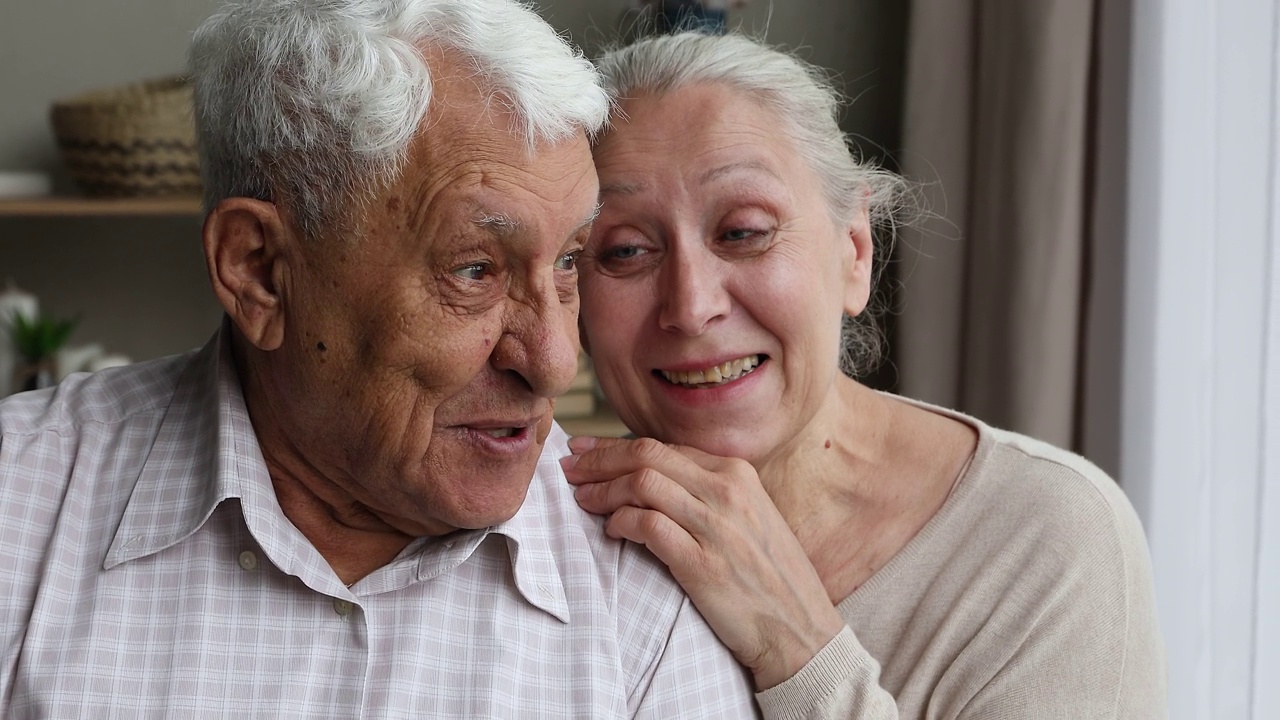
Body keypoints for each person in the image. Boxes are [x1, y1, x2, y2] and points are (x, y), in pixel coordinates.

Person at [0, 4, 758, 716]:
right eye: (475, 271)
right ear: (259, 271)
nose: (557, 362)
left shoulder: (642, 591)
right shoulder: (20, 511)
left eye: (568, 261)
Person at [566, 31, 1167, 719]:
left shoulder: (1049, 539)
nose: (692, 305)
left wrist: (797, 650)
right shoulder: (543, 540)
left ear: (854, 252)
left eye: (743, 232)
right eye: (627, 250)